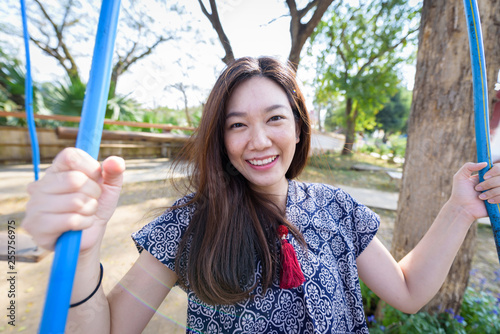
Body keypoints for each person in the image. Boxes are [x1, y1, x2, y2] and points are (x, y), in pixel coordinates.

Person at [23, 56, 500, 333]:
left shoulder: (338, 209)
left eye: (274, 118)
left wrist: (460, 208)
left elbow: (409, 291)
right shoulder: (187, 225)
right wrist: (83, 254)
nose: (258, 140)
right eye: (237, 125)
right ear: (220, 138)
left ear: (297, 127)